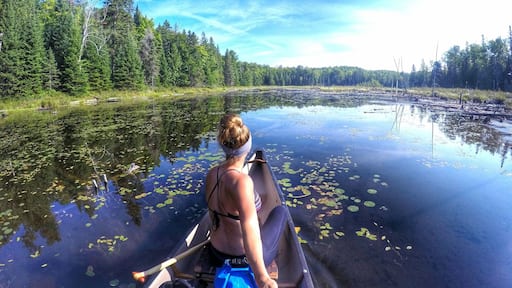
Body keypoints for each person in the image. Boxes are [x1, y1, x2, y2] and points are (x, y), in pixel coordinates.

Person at [205, 114, 286, 288]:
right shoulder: (242, 182)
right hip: (241, 258)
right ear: (247, 148)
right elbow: (251, 234)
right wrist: (262, 277)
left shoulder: (212, 174)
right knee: (281, 212)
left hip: (215, 253)